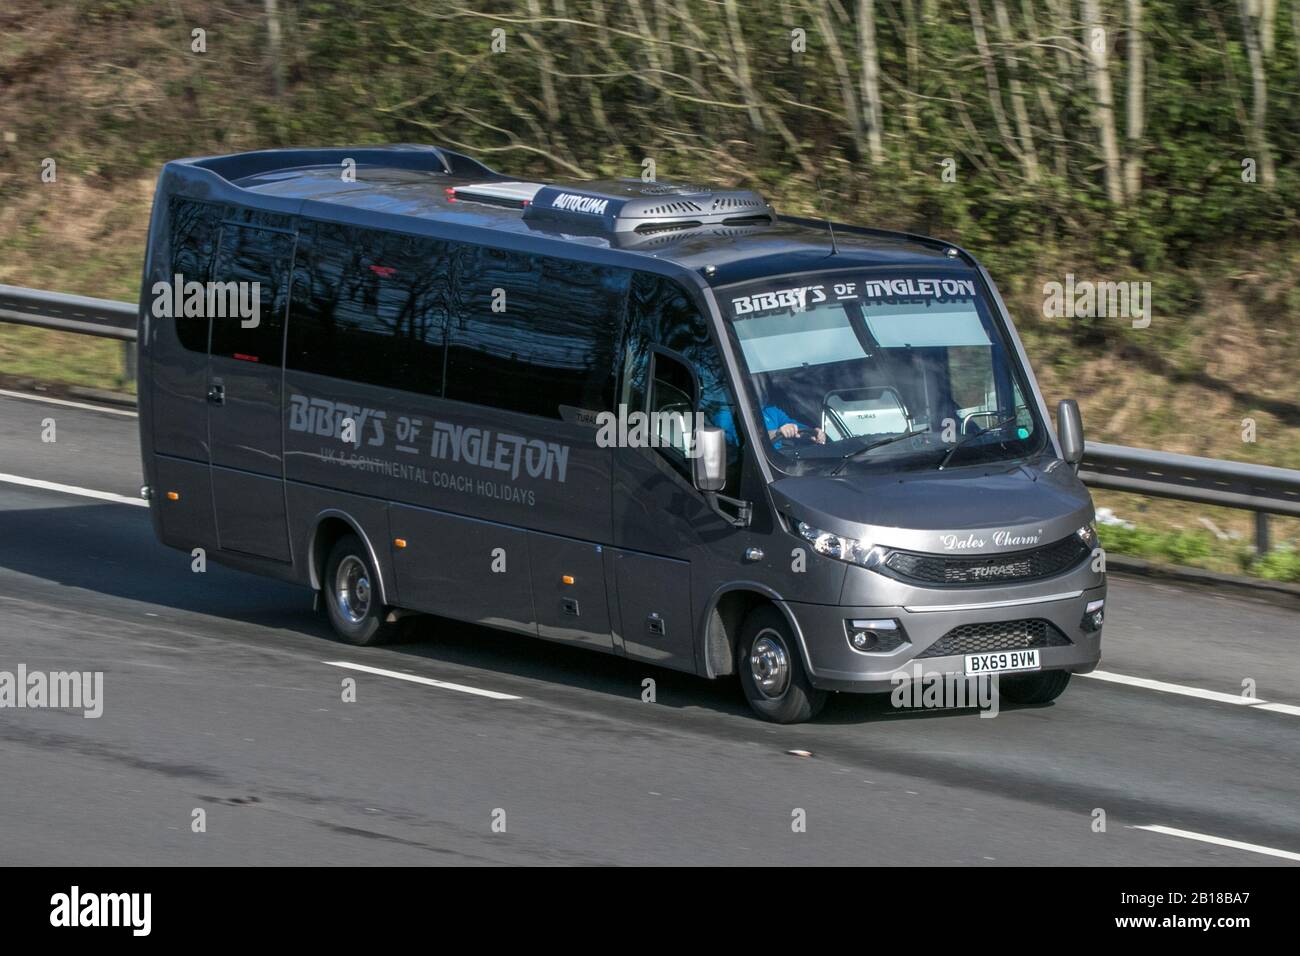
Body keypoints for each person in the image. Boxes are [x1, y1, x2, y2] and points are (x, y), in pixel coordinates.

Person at [715, 404, 825, 448]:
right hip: (751, 469)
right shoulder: (726, 414)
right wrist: (777, 433)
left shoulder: (771, 411)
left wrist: (813, 433)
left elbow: (792, 425)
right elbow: (741, 440)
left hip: (780, 465)